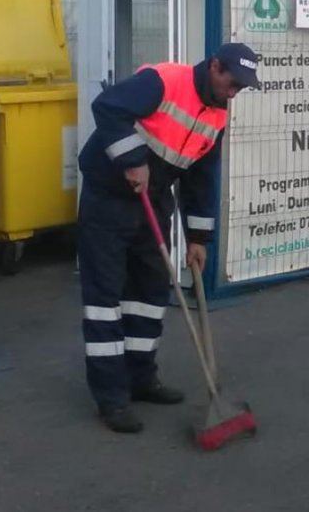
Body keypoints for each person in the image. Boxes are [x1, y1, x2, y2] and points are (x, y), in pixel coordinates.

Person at [76, 42, 260, 433]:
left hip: (153, 200)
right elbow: (107, 107)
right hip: (108, 196)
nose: (234, 92)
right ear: (214, 66)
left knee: (149, 293)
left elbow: (201, 177)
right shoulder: (164, 81)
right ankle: (111, 397)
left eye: (241, 88)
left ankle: (141, 378)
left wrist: (198, 238)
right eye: (232, 82)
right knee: (105, 299)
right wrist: (132, 160)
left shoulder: (217, 114)